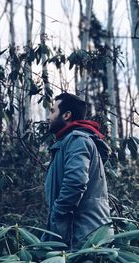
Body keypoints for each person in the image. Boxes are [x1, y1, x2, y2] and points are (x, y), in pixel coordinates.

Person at [42, 93, 112, 249]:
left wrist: (57, 215)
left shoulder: (77, 140)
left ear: (66, 115)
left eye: (53, 111)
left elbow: (75, 182)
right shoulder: (71, 141)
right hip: (83, 234)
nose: (49, 116)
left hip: (82, 237)